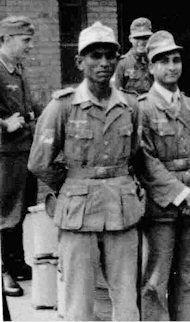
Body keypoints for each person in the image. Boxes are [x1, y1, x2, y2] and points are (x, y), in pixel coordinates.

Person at [28, 21, 144, 321]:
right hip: (78, 214)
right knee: (79, 302)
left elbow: (134, 154)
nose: (103, 63)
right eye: (94, 56)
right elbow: (39, 161)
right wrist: (72, 184)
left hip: (122, 210)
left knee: (127, 299)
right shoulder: (62, 107)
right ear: (80, 61)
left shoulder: (131, 106)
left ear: (118, 60)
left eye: (109, 55)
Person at [138, 30, 190, 321]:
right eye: (163, 61)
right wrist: (183, 194)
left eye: (176, 60)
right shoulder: (142, 110)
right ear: (151, 67)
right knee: (155, 280)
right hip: (161, 208)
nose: (172, 67)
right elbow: (145, 161)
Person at [0, 15, 37, 297]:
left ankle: (16, 263)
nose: (30, 46)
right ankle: (3, 272)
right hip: (5, 154)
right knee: (4, 214)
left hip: (24, 150)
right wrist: (3, 124)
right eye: (25, 41)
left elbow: (29, 106)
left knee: (21, 210)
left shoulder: (18, 68)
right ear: (6, 39)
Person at [114, 17, 153, 95]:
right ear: (130, 39)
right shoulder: (122, 63)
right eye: (137, 38)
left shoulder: (155, 61)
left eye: (145, 38)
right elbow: (116, 93)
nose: (141, 42)